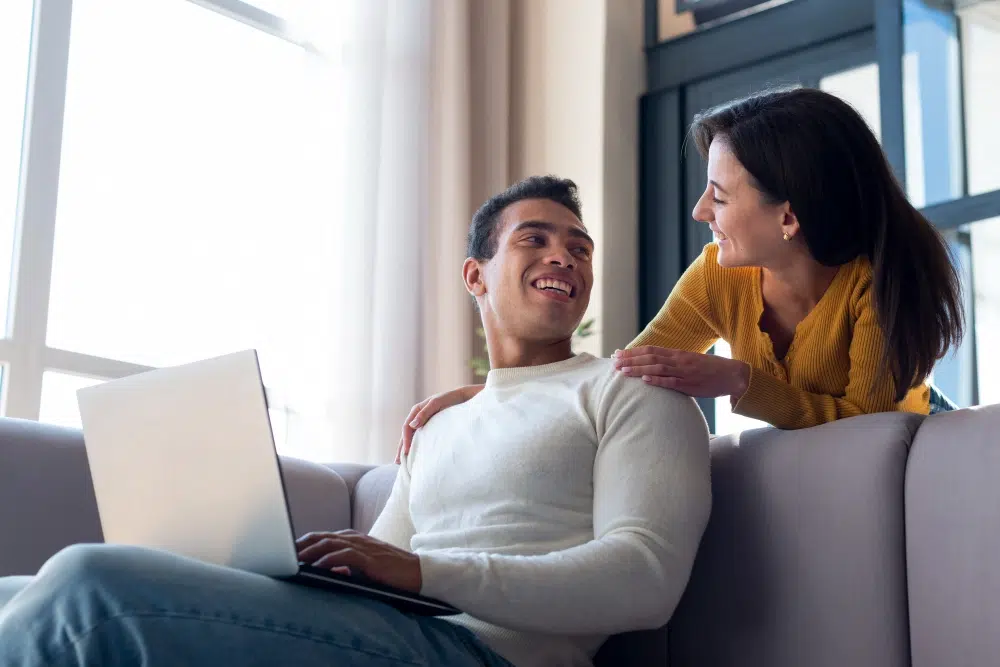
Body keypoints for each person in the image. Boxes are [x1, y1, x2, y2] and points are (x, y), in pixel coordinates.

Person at [0, 176, 713, 667]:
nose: (565, 255)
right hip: (389, 634)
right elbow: (378, 570)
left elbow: (645, 578)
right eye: (535, 238)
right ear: (476, 275)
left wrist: (424, 570)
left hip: (486, 653)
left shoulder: (635, 388)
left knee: (89, 586)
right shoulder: (437, 426)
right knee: (18, 589)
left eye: (580, 247)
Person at [398, 87, 964, 459]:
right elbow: (630, 373)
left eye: (718, 197)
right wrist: (493, 395)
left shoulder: (879, 285)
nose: (700, 212)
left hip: (921, 460)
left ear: (787, 216)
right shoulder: (719, 273)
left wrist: (739, 382)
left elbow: (863, 430)